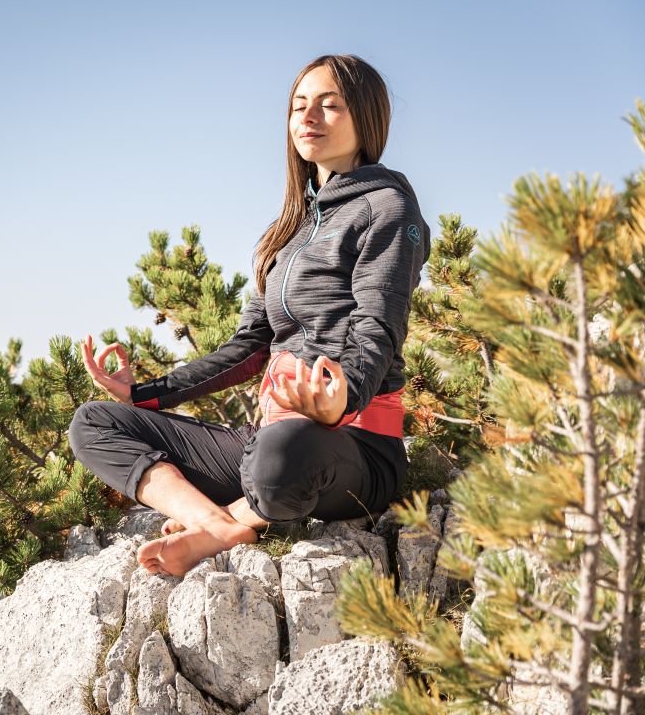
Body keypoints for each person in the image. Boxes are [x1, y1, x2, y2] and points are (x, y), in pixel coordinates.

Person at [68, 54, 432, 577]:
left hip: (352, 444)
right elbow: (248, 349)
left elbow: (379, 327)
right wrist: (144, 392)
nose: (309, 118)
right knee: (93, 423)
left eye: (330, 106)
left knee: (282, 454)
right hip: (270, 436)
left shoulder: (387, 208)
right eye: (298, 106)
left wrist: (340, 400)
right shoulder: (286, 231)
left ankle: (240, 512)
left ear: (366, 119)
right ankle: (215, 522)